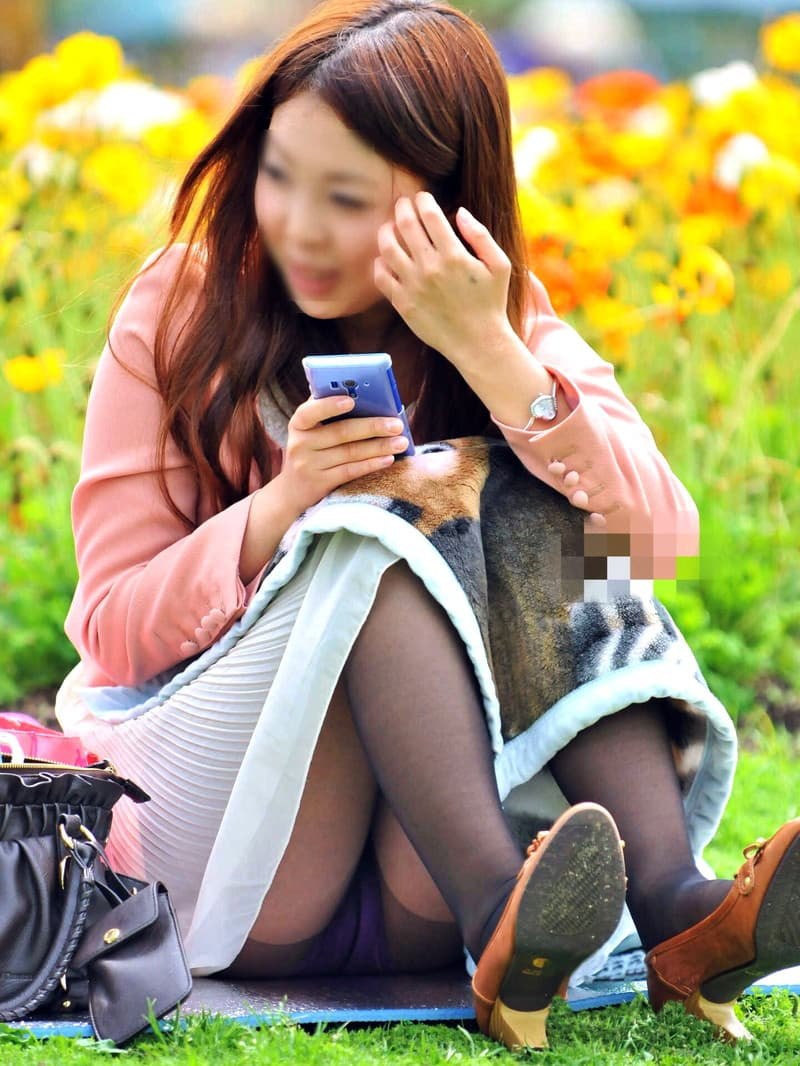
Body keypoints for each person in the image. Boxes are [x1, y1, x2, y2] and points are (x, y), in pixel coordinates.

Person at [55, 0, 800, 1052]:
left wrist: (494, 356)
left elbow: (656, 539)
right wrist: (281, 510)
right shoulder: (180, 310)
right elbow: (112, 628)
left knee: (528, 492)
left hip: (419, 891)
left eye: (347, 199)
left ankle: (675, 906)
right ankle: (505, 908)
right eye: (278, 177)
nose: (299, 227)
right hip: (239, 863)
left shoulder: (490, 313)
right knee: (381, 518)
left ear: (445, 210)